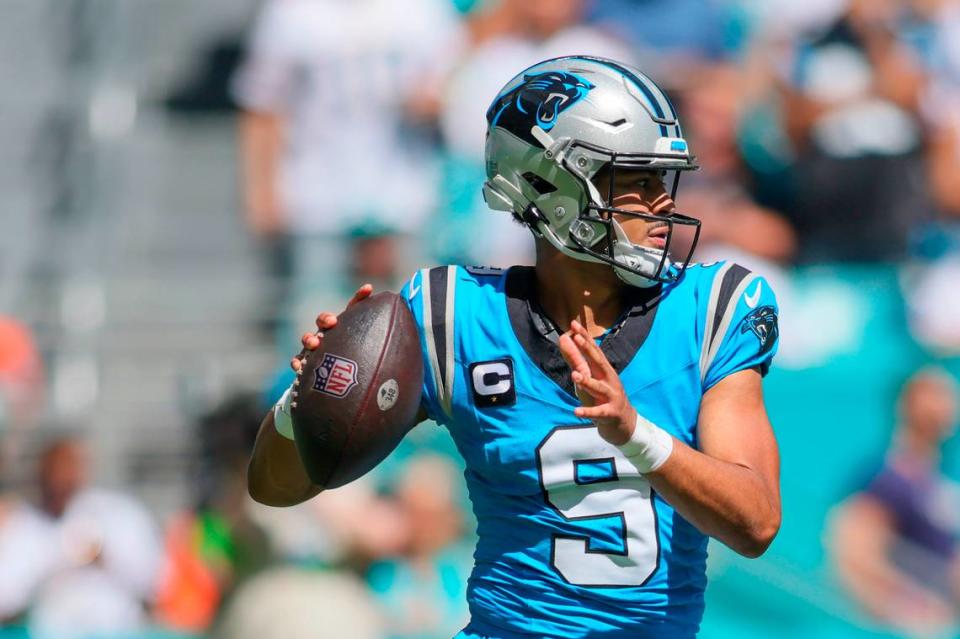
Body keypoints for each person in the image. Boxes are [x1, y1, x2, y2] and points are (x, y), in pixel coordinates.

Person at [249, 56, 782, 638]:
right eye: (635, 182)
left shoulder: (709, 308)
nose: (661, 203)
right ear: (553, 187)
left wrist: (634, 433)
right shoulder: (452, 314)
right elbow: (274, 486)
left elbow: (754, 521)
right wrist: (309, 399)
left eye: (660, 181)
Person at [829, 368, 960, 637]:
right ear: (906, 403)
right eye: (934, 393)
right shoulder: (884, 478)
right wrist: (909, 612)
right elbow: (854, 559)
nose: (945, 404)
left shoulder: (940, 484)